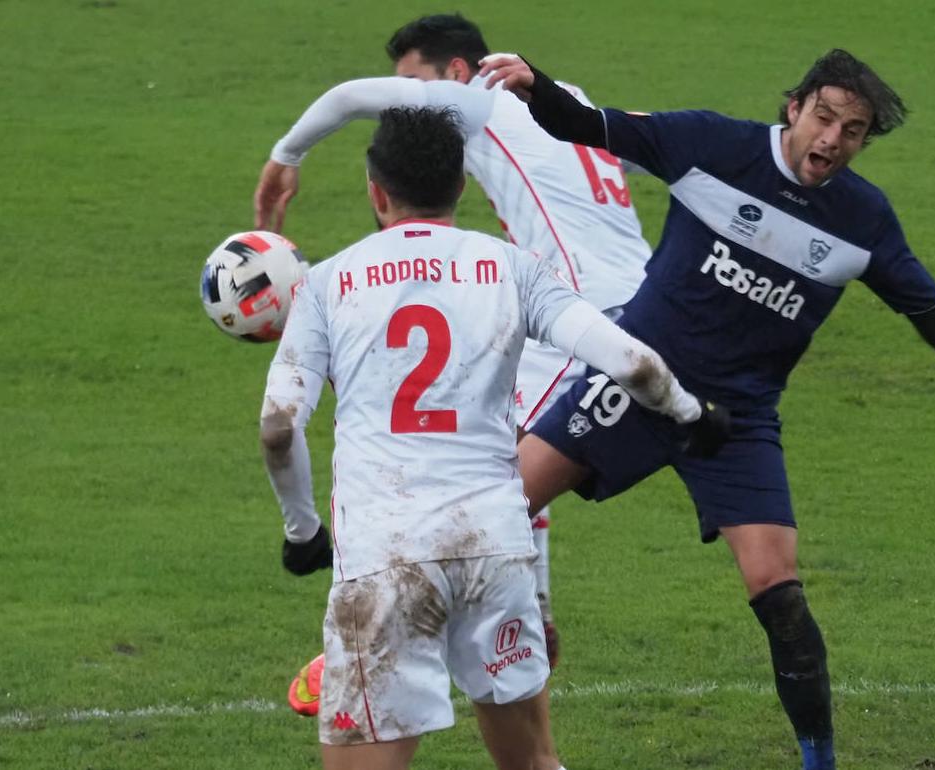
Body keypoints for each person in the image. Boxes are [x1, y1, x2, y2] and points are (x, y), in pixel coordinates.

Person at [476, 49, 935, 769]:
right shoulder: (710, 144)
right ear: (795, 107)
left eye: (853, 130)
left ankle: (819, 762)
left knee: (779, 594)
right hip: (637, 387)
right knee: (489, 514)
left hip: (737, 423)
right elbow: (587, 125)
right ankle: (402, 658)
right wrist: (535, 83)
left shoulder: (863, 221)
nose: (832, 139)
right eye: (824, 117)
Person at [260, 105, 727, 770]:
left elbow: (279, 427)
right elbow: (631, 363)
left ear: (376, 192)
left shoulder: (327, 283)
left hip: (386, 552)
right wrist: (690, 414)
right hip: (493, 545)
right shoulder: (513, 267)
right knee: (531, 761)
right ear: (461, 185)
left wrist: (303, 531)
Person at [255, 14, 653, 669]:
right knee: (498, 449)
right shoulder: (568, 100)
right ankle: (526, 614)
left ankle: (391, 631)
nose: (408, 105)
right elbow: (642, 140)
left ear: (459, 74)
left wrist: (285, 157)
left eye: (415, 86)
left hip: (589, 315)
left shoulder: (483, 102)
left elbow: (348, 98)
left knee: (477, 467)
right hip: (637, 304)